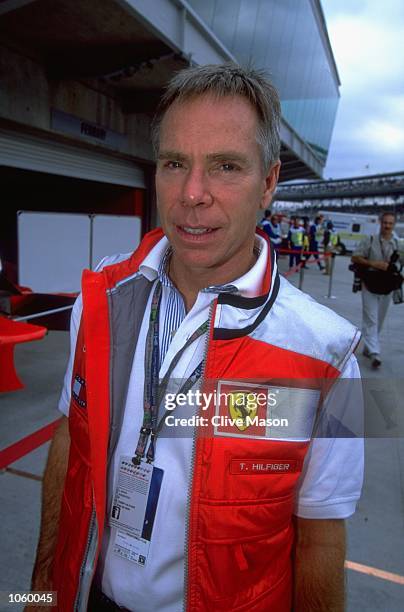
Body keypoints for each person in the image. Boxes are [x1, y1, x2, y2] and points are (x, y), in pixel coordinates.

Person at [31, 64, 363, 612]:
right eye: (175, 163)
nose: (192, 194)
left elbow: (322, 537)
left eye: (226, 166)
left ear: (269, 183)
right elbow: (70, 443)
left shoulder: (330, 354)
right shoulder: (101, 298)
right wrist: (43, 590)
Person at [351, 211, 402, 368]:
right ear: (380, 223)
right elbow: (355, 257)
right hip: (370, 284)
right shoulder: (370, 239)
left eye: (390, 223)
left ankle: (368, 347)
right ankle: (375, 352)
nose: (387, 226)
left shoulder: (398, 243)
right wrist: (374, 264)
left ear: (394, 225)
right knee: (370, 318)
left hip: (387, 286)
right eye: (385, 222)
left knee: (379, 319)